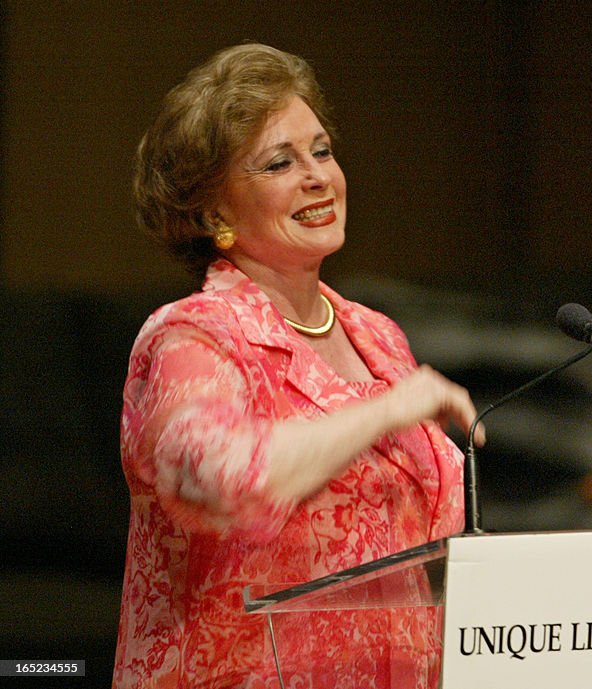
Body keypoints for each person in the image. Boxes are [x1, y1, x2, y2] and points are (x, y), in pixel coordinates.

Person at [113, 43, 483, 689]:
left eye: (322, 150)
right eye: (280, 162)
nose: (317, 176)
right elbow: (220, 479)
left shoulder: (376, 334)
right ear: (213, 212)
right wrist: (385, 410)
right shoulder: (188, 338)